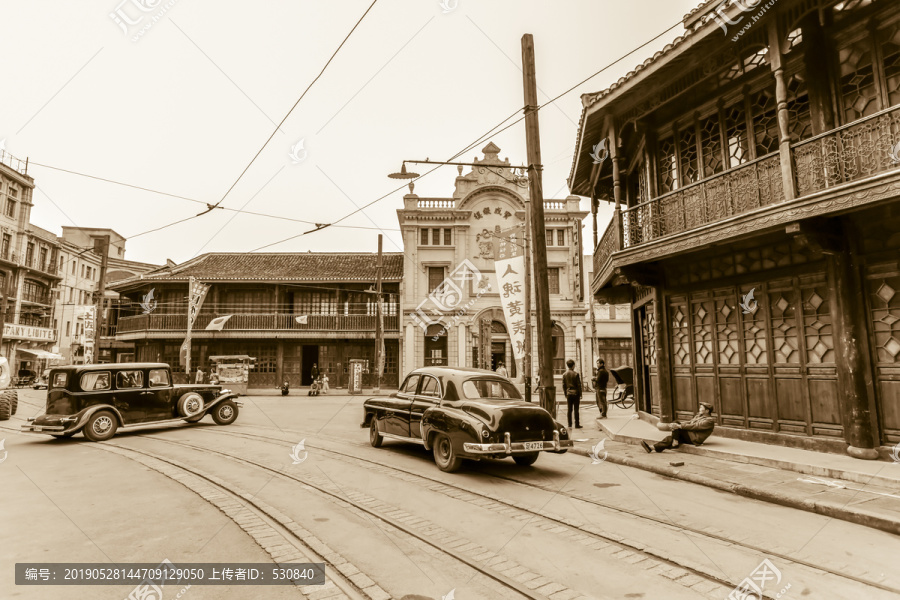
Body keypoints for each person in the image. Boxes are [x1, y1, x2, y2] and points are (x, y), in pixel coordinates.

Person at [641, 402, 716, 453]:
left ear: (707, 411)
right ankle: (652, 448)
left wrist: (679, 425)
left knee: (676, 424)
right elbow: (689, 423)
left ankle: (675, 442)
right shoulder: (698, 416)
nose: (699, 409)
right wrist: (677, 425)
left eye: (701, 408)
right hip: (689, 435)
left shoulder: (709, 421)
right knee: (669, 438)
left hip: (694, 439)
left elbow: (695, 426)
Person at [561, 359, 583, 429]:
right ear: (573, 366)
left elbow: (563, 385)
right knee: (576, 409)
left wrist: (565, 393)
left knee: (569, 409)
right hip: (576, 393)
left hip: (568, 393)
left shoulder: (564, 374)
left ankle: (569, 424)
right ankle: (577, 424)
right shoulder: (576, 374)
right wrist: (580, 394)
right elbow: (579, 385)